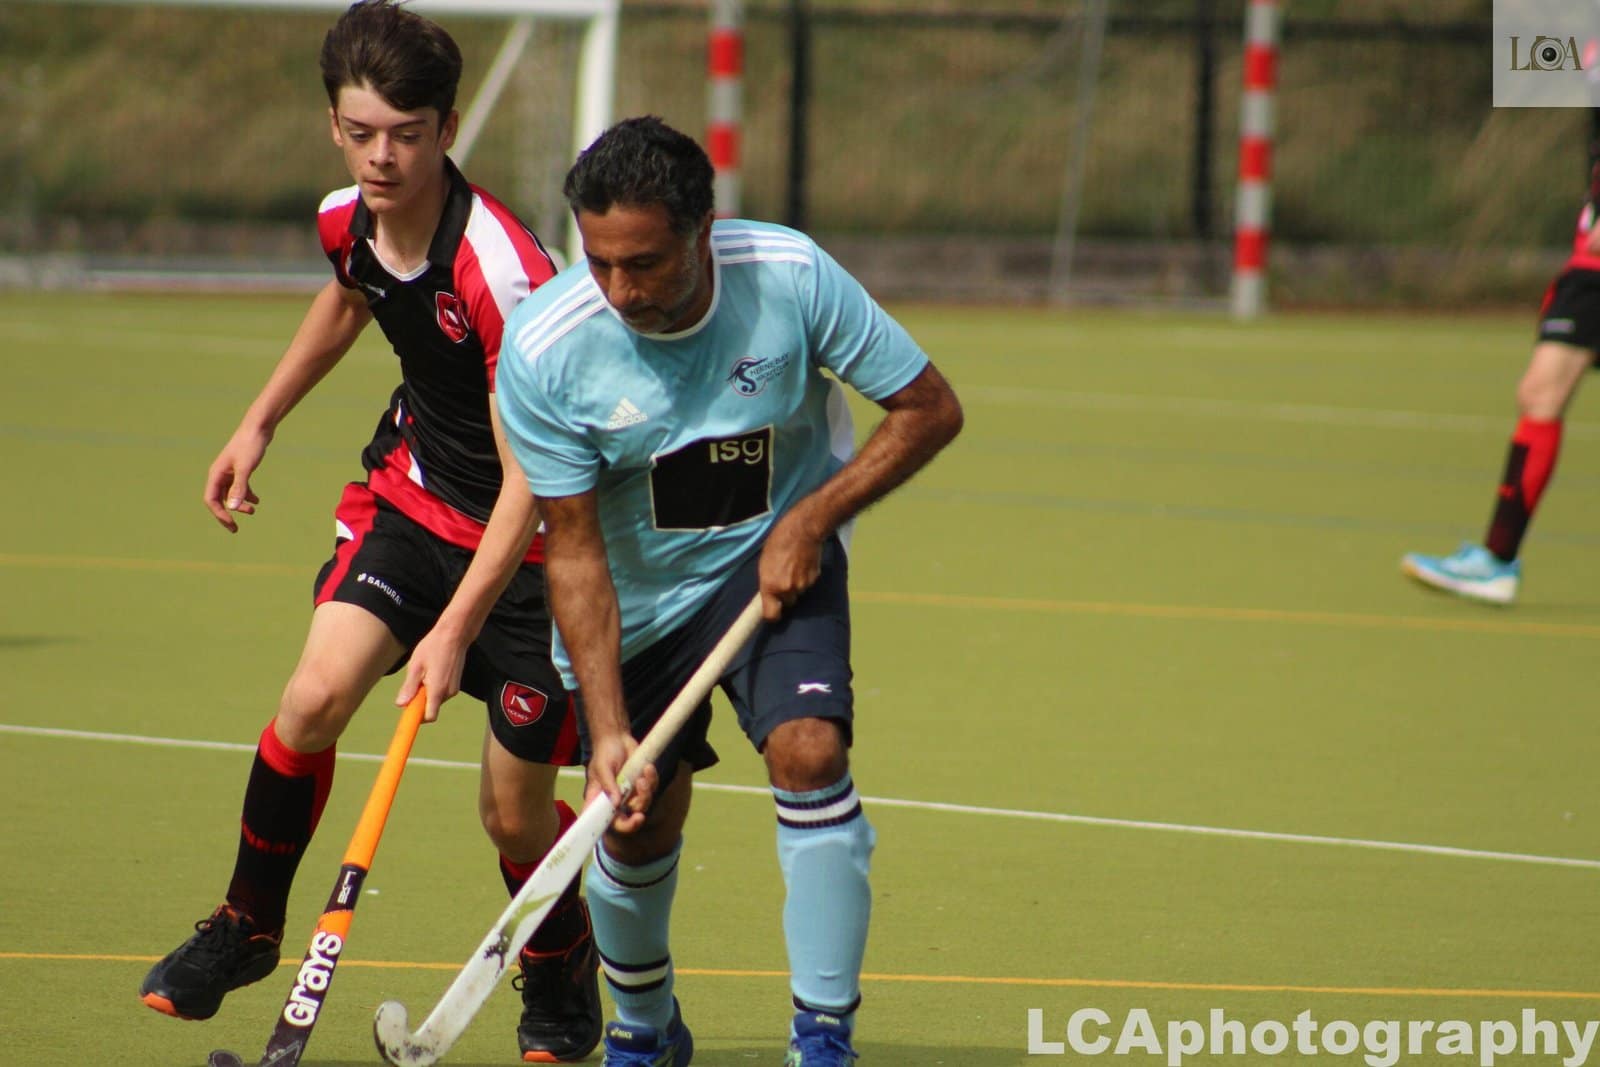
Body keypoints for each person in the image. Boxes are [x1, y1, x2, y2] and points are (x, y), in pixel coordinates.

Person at [137, 3, 601, 1061]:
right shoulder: (348, 217)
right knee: (311, 698)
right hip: (413, 506)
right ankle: (248, 923)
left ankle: (558, 959)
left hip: (538, 547)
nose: (381, 157)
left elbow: (532, 478)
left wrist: (453, 629)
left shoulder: (499, 271)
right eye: (360, 133)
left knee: (512, 814)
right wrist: (258, 421)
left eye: (405, 134)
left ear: (447, 129)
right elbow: (351, 297)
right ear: (335, 127)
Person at [494, 116, 964, 1067]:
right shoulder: (546, 349)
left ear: (703, 229)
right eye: (600, 262)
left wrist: (812, 518)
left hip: (773, 558)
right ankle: (644, 1028)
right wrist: (608, 730)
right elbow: (574, 552)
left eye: (645, 263)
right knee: (636, 821)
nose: (621, 290)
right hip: (636, 597)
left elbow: (928, 406)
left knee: (809, 750)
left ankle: (822, 1039)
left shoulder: (790, 276)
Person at [1402, 110, 1600, 606]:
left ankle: (1496, 561)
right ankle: (1496, 560)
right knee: (1540, 395)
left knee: (1541, 395)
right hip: (1589, 270)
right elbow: (1529, 70)